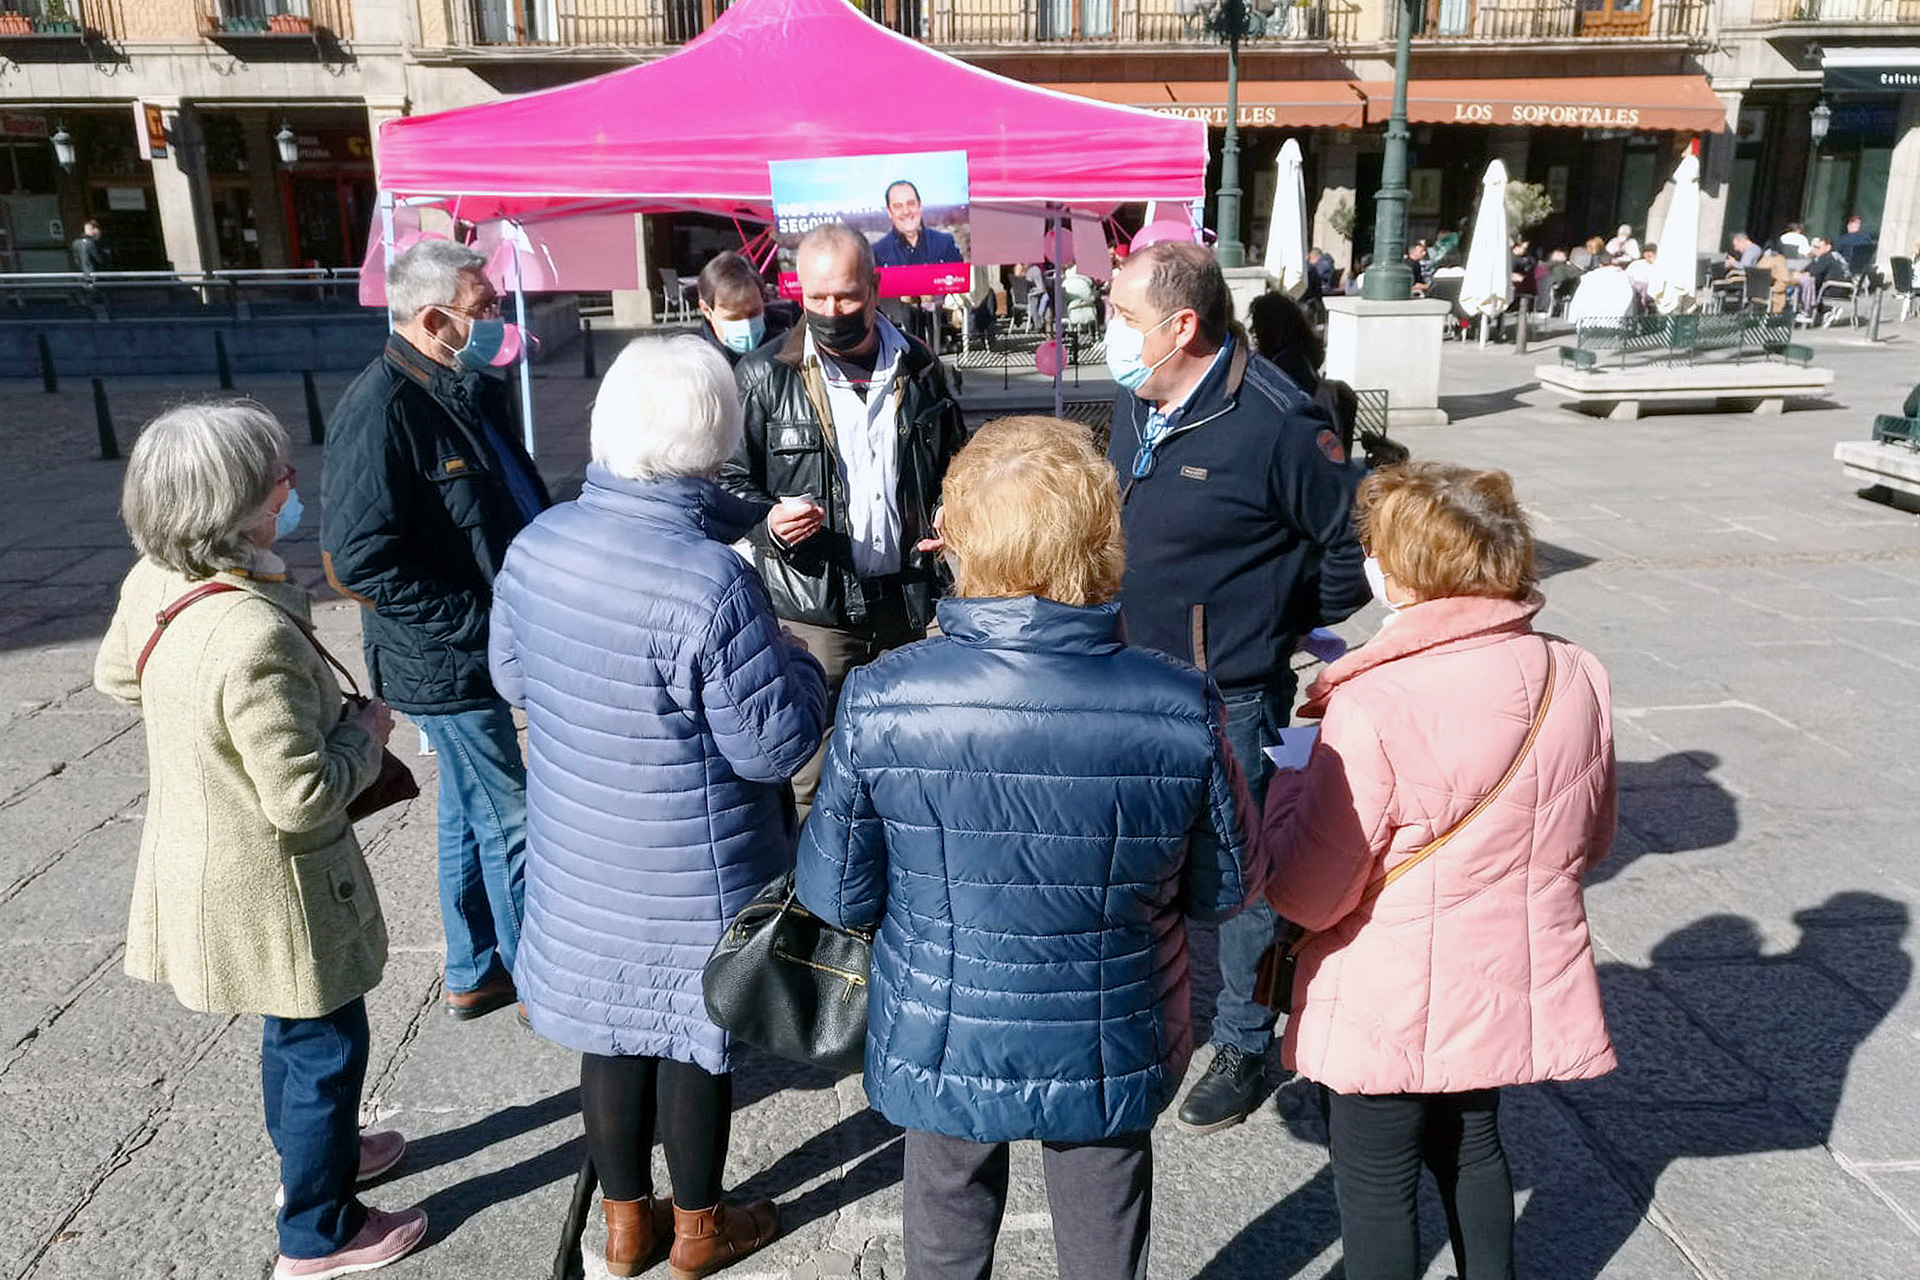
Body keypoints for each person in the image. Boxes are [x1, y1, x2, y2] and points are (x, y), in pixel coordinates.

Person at [796, 415, 1259, 1280]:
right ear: (1101, 538)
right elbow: (1223, 889)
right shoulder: (1178, 703)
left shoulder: (886, 696)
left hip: (942, 1021)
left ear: (961, 539)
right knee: (1104, 1221)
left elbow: (837, 894)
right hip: (1110, 1026)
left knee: (945, 1213)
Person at [490, 337, 826, 1280]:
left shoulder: (538, 544)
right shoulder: (711, 579)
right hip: (691, 867)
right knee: (690, 1042)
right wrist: (800, 663)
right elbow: (773, 747)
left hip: (581, 852)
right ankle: (698, 1231)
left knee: (610, 1033)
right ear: (714, 438)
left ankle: (624, 1229)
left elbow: (509, 674)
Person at [1261, 460, 1617, 1280]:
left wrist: (1288, 775)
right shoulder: (1576, 671)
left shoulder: (1372, 699)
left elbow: (1308, 891)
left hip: (1386, 988)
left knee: (1377, 1180)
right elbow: (1590, 840)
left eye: (1377, 549)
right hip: (1503, 975)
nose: (1368, 563)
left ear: (1409, 570)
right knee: (1474, 1144)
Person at [96, 402, 427, 1280]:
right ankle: (319, 1231)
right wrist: (366, 736)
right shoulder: (251, 632)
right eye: (278, 475)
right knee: (325, 1045)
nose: (292, 484)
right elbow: (302, 796)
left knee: (294, 1028)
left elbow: (116, 675)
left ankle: (318, 1160)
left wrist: (196, 731)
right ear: (234, 504)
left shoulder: (155, 578)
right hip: (279, 880)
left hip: (207, 853)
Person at [1104, 240, 1368, 1135]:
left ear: (1182, 326)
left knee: (1245, 877)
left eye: (1123, 316)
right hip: (1130, 676)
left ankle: (1247, 1040)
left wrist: (1278, 624)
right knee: (1144, 855)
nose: (1109, 331)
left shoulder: (1279, 421)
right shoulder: (1135, 398)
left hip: (1232, 696)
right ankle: (1151, 1003)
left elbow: (1350, 544)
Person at [321, 239, 548, 1023]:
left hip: (481, 645)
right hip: (443, 658)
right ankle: (538, 982)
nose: (497, 320)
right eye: (484, 309)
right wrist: (479, 624)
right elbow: (356, 563)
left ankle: (474, 969)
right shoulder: (382, 408)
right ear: (432, 319)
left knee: (468, 806)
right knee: (512, 817)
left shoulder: (464, 388)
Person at [719, 222, 966, 814]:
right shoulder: (763, 375)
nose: (831, 312)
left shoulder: (921, 368)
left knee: (912, 763)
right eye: (818, 297)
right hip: (815, 612)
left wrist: (951, 514)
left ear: (875, 288)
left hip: (909, 606)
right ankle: (818, 875)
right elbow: (726, 481)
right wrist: (768, 522)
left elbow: (958, 467)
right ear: (798, 291)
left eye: (847, 297)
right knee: (814, 777)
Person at [695, 251, 788, 366]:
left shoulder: (786, 343)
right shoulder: (697, 363)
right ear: (706, 310)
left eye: (754, 313)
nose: (747, 325)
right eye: (734, 318)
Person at [871, 179, 962, 267]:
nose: (906, 211)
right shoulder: (877, 254)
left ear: (919, 206)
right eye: (898, 206)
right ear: (889, 212)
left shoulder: (944, 244)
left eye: (911, 203)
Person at [1566, 254, 1638, 324]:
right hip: (1616, 324)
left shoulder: (1588, 278)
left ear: (1599, 265)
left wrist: (1572, 319)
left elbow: (1578, 301)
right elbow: (1630, 300)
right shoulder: (1625, 278)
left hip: (1588, 323)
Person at [1798, 235, 1852, 316]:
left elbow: (1810, 273)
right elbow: (1807, 269)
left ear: (1828, 247)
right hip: (1844, 289)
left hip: (1833, 288)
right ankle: (1827, 312)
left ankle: (1808, 312)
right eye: (1814, 247)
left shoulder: (1826, 257)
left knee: (1808, 286)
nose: (1815, 250)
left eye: (1818, 247)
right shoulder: (1834, 256)